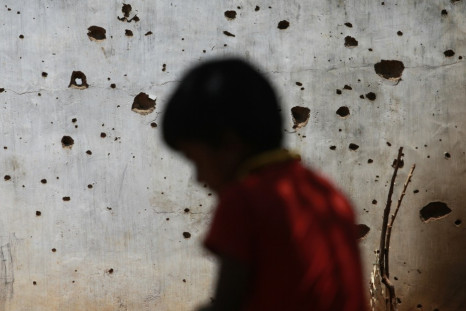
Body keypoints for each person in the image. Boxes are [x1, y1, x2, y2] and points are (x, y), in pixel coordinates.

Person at [161, 58, 367, 311]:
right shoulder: (328, 194)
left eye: (195, 160)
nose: (199, 178)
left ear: (228, 146)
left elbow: (226, 306)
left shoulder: (244, 201)